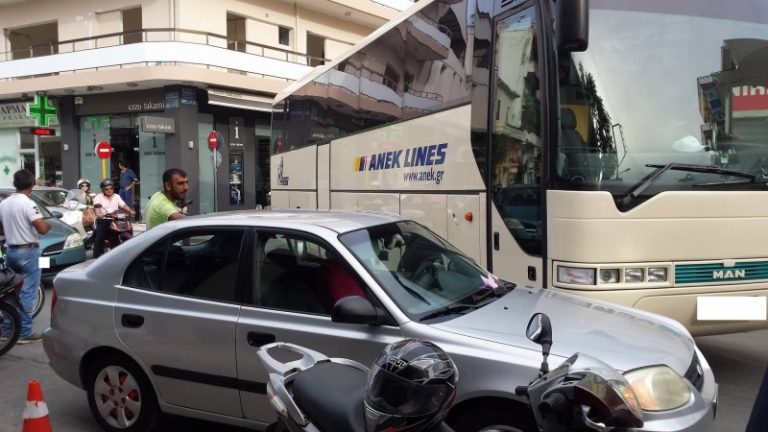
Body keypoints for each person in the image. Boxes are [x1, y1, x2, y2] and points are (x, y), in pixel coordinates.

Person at [0, 169, 51, 344]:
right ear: (31, 185)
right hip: (28, 252)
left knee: (11, 292)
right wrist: (48, 226)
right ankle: (25, 332)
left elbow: (1, 229)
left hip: (11, 251)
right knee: (28, 292)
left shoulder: (4, 203)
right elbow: (42, 228)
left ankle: (8, 330)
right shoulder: (28, 203)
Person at [92, 179, 135, 258]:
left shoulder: (117, 196)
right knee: (100, 237)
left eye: (111, 188)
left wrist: (130, 211)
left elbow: (123, 205)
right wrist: (99, 214)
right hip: (104, 219)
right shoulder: (98, 197)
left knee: (129, 227)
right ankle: (95, 257)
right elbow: (97, 208)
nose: (109, 190)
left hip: (116, 218)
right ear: (103, 190)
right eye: (107, 189)